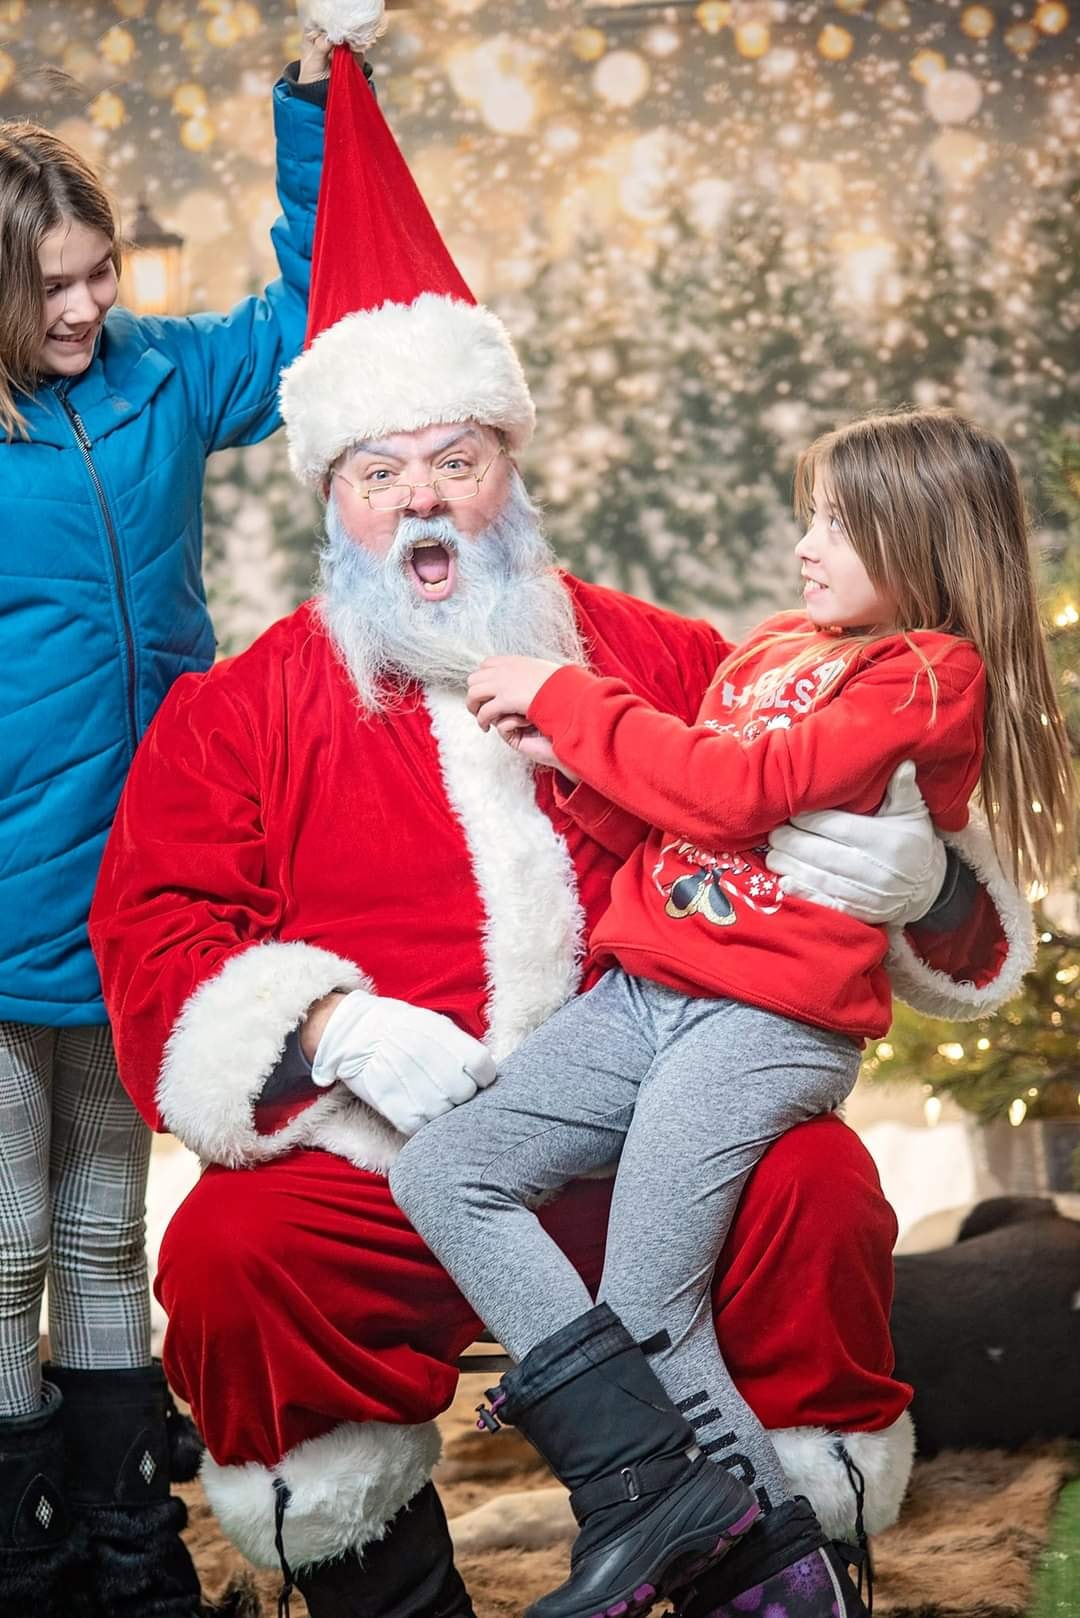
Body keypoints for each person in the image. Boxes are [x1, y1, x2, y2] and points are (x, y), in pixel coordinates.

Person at [88, 36, 1034, 1618]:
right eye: (383, 472)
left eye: (457, 460)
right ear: (332, 495)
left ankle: (767, 1559)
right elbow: (160, 934)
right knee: (237, 1258)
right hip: (387, 1151)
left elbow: (850, 787)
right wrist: (327, 1029)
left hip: (650, 1121)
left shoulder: (667, 659)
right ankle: (406, 1589)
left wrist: (939, 883)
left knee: (812, 1189)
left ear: (511, 467)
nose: (427, 504)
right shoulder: (238, 712)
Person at [390, 407, 1074, 1618]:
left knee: (655, 1306)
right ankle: (645, 1483)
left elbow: (738, 787)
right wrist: (566, 756)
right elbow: (685, 823)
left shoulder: (927, 674)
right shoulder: (769, 651)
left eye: (838, 523)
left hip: (767, 1021)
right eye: (808, 513)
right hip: (648, 990)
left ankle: (786, 1582)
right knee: (446, 1169)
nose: (805, 542)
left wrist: (572, 696)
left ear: (918, 540)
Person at [0, 13, 373, 1612]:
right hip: (1, 895)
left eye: (100, 271)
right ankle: (24, 1566)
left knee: (102, 1222)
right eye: (54, 284)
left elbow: (312, 310)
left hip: (140, 895)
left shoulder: (159, 377)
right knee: (1, 1233)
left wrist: (311, 96)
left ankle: (129, 1563)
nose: (91, 304)